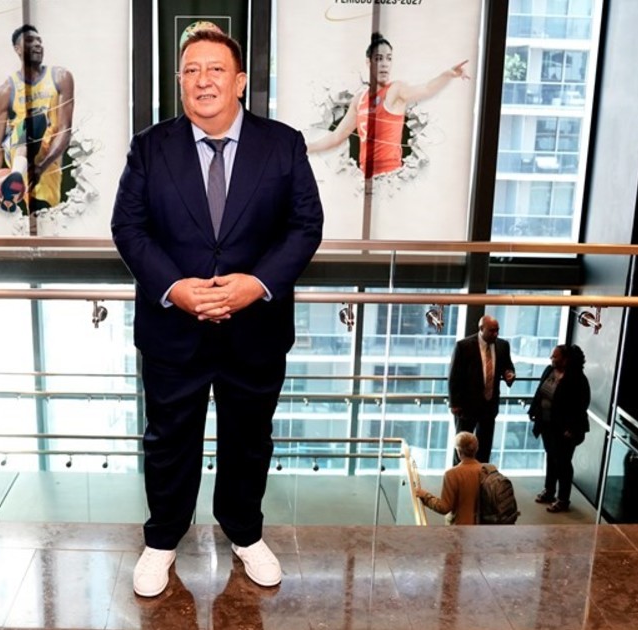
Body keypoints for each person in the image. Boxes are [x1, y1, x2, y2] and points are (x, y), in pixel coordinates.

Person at [112, 27, 323, 598]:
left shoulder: (283, 144)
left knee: (249, 439)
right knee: (168, 439)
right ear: (179, 81)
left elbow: (306, 226)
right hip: (172, 329)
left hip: (255, 329)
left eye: (215, 69)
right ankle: (162, 540)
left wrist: (257, 284)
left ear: (240, 81)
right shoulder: (149, 147)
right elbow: (128, 227)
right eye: (191, 70)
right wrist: (174, 288)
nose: (202, 80)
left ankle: (245, 533)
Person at [306, 32, 470, 177]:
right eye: (379, 58)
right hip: (366, 177)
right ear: (369, 62)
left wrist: (446, 75)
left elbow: (426, 89)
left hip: (389, 178)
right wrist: (306, 148)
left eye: (389, 58)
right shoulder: (359, 99)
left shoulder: (395, 90)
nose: (385, 64)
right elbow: (336, 137)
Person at [0, 24, 76, 219]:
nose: (37, 44)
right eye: (30, 41)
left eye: (39, 41)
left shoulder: (61, 77)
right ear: (17, 49)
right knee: (33, 119)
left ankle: (13, 193)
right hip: (17, 149)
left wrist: (41, 167)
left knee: (41, 217)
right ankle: (16, 175)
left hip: (46, 161)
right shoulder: (5, 91)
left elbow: (64, 129)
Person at [528, 343, 590, 513]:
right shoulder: (549, 370)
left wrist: (572, 428)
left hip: (565, 429)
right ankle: (549, 491)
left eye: (555, 356)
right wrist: (533, 411)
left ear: (566, 360)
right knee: (551, 457)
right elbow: (540, 392)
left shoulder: (577, 379)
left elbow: (581, 406)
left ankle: (563, 499)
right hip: (547, 424)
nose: (551, 358)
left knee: (563, 463)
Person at [447, 315, 515, 464]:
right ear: (481, 328)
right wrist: (454, 403)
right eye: (492, 331)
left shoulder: (503, 345)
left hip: (489, 405)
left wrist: (509, 374)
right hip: (467, 405)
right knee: (463, 444)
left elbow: (507, 366)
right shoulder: (464, 346)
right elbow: (454, 376)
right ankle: (459, 474)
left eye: (497, 330)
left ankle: (481, 474)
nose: (495, 334)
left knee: (485, 445)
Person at [415, 431, 482, 525]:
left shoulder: (452, 474)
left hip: (459, 528)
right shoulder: (486, 471)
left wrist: (425, 496)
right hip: (482, 528)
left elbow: (444, 507)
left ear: (458, 451)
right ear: (476, 449)